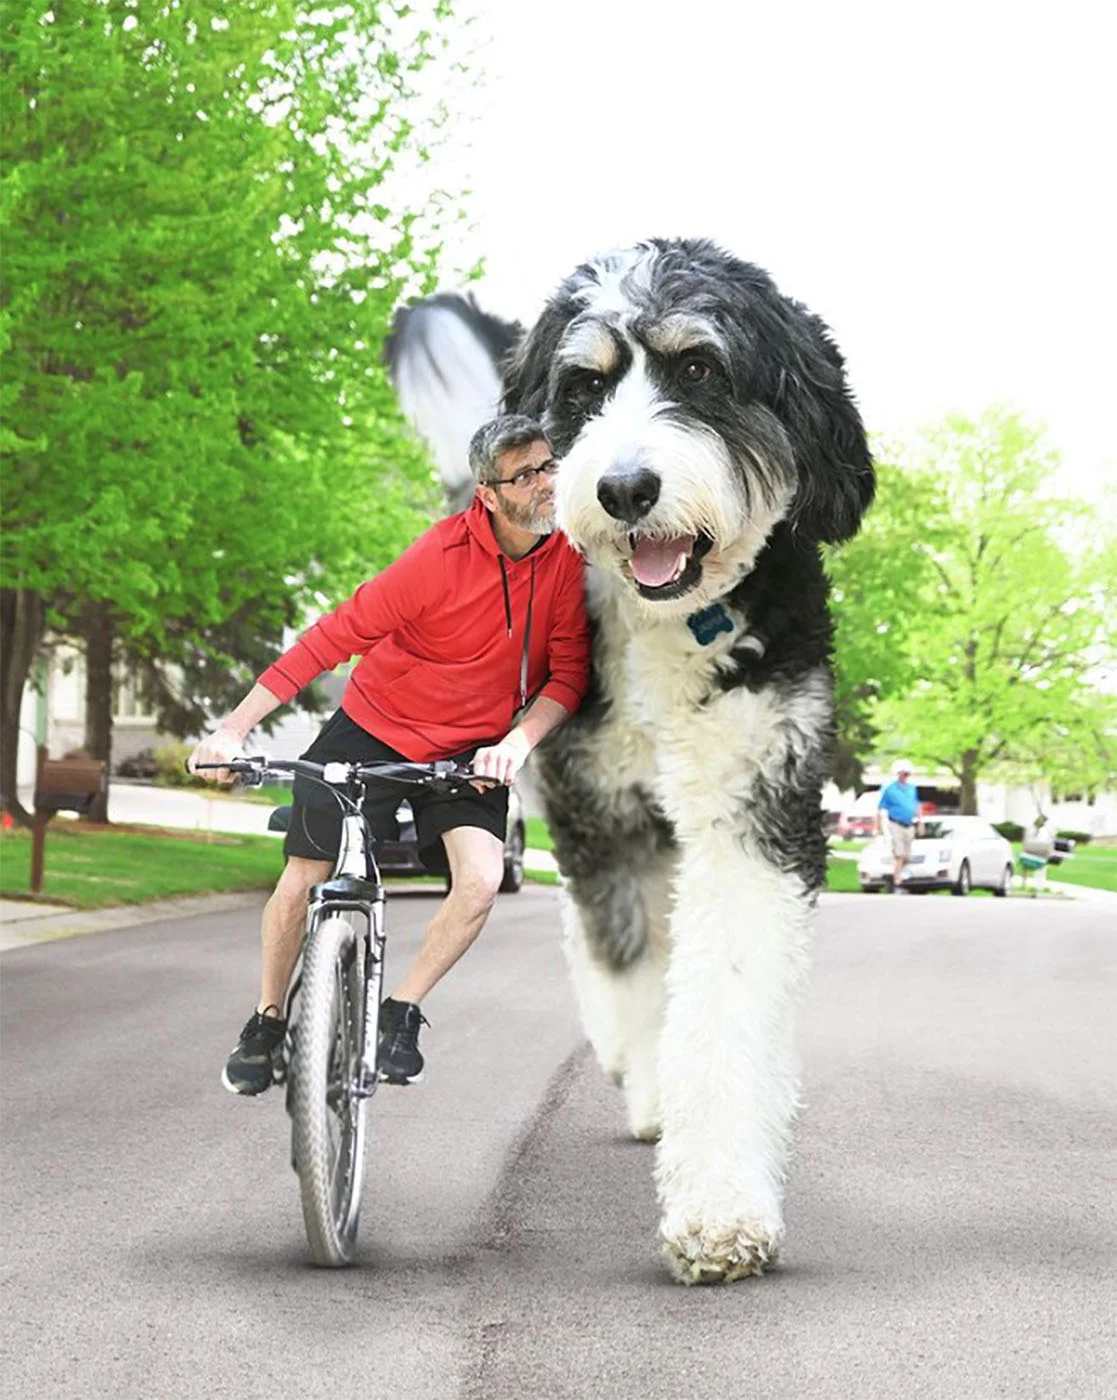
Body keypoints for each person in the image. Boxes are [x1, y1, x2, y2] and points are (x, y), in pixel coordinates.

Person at [188, 415, 591, 1093]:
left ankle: (399, 1011)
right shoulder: (436, 560)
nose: (547, 482)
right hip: (373, 727)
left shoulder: (567, 559)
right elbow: (328, 640)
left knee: (482, 880)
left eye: (550, 465)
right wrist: (232, 731)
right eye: (526, 474)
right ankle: (265, 1017)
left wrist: (515, 743)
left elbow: (568, 675)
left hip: (474, 749)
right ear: (487, 494)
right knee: (303, 877)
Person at [877, 760, 920, 892]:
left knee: (907, 856)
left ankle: (894, 873)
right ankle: (897, 881)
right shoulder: (889, 789)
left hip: (909, 824)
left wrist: (920, 820)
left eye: (907, 773)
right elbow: (880, 808)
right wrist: (878, 826)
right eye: (902, 773)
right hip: (895, 823)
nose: (904, 776)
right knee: (899, 854)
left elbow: (916, 805)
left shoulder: (912, 789)